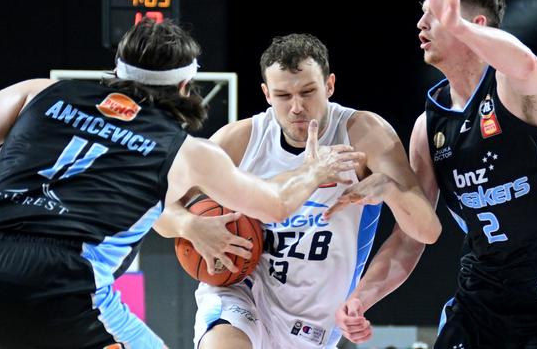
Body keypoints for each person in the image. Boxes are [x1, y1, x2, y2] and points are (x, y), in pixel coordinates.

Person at [0, 19, 364, 349]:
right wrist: (314, 170)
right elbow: (275, 204)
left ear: (117, 69)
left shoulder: (41, 92)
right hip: (59, 281)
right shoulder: (187, 152)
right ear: (185, 87)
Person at [333, 0, 537, 348]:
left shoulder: (515, 89)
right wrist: (361, 298)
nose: (420, 23)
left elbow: (527, 64)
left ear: (476, 24)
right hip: (482, 303)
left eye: (433, 14)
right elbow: (412, 234)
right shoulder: (428, 128)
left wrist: (459, 27)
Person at [160, 33, 441, 349]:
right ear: (266, 93)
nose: (297, 107)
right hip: (241, 291)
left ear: (329, 85)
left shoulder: (365, 134)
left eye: (308, 92)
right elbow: (152, 209)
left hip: (314, 326)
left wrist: (391, 190)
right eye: (283, 95)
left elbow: (425, 231)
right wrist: (189, 225)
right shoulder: (239, 142)